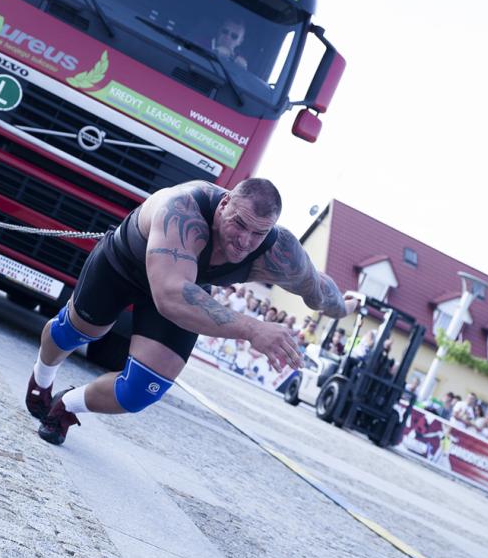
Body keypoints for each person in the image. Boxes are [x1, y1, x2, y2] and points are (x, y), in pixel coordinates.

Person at [25, 178, 360, 444]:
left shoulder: (279, 252)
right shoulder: (184, 208)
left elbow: (318, 289)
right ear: (224, 203)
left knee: (140, 390)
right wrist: (253, 328)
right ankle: (42, 378)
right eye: (239, 225)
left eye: (258, 233)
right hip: (124, 265)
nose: (244, 241)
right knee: (80, 331)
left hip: (188, 285)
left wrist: (344, 307)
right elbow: (170, 296)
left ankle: (66, 405)